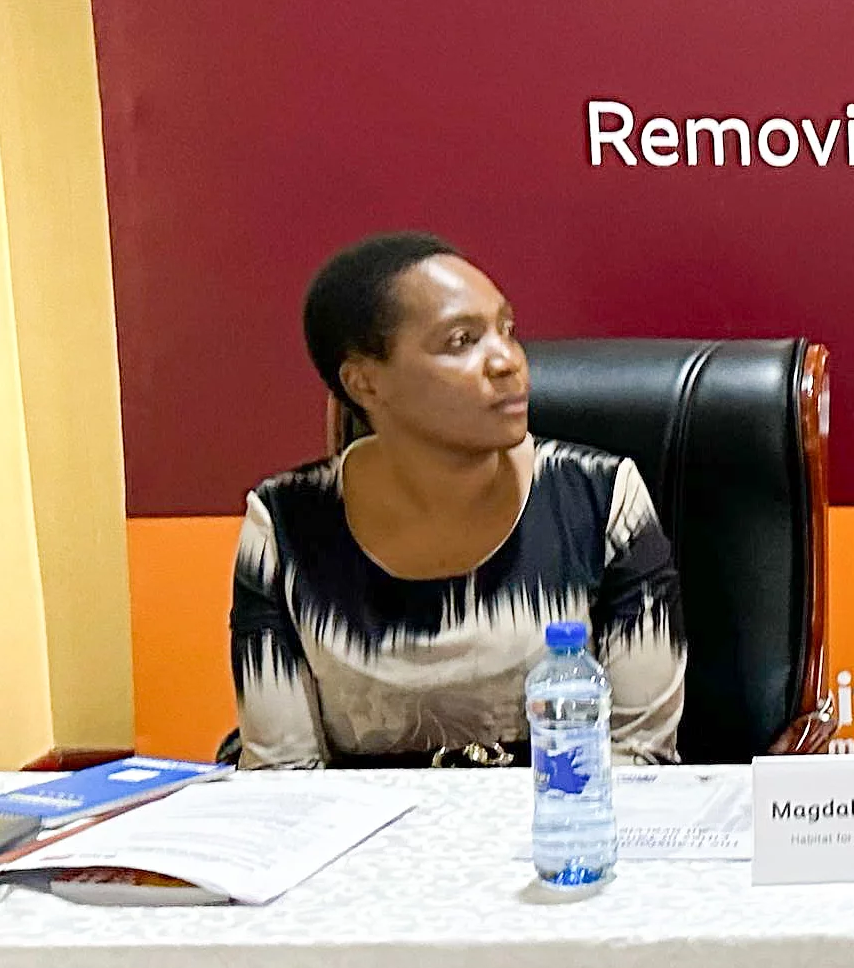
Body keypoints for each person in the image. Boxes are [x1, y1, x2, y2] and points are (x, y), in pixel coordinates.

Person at [229, 233, 685, 767]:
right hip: (367, 844)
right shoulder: (286, 525)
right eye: (462, 340)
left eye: (507, 331)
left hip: (562, 828)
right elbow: (282, 776)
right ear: (365, 383)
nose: (507, 361)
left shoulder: (600, 498)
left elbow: (639, 756)